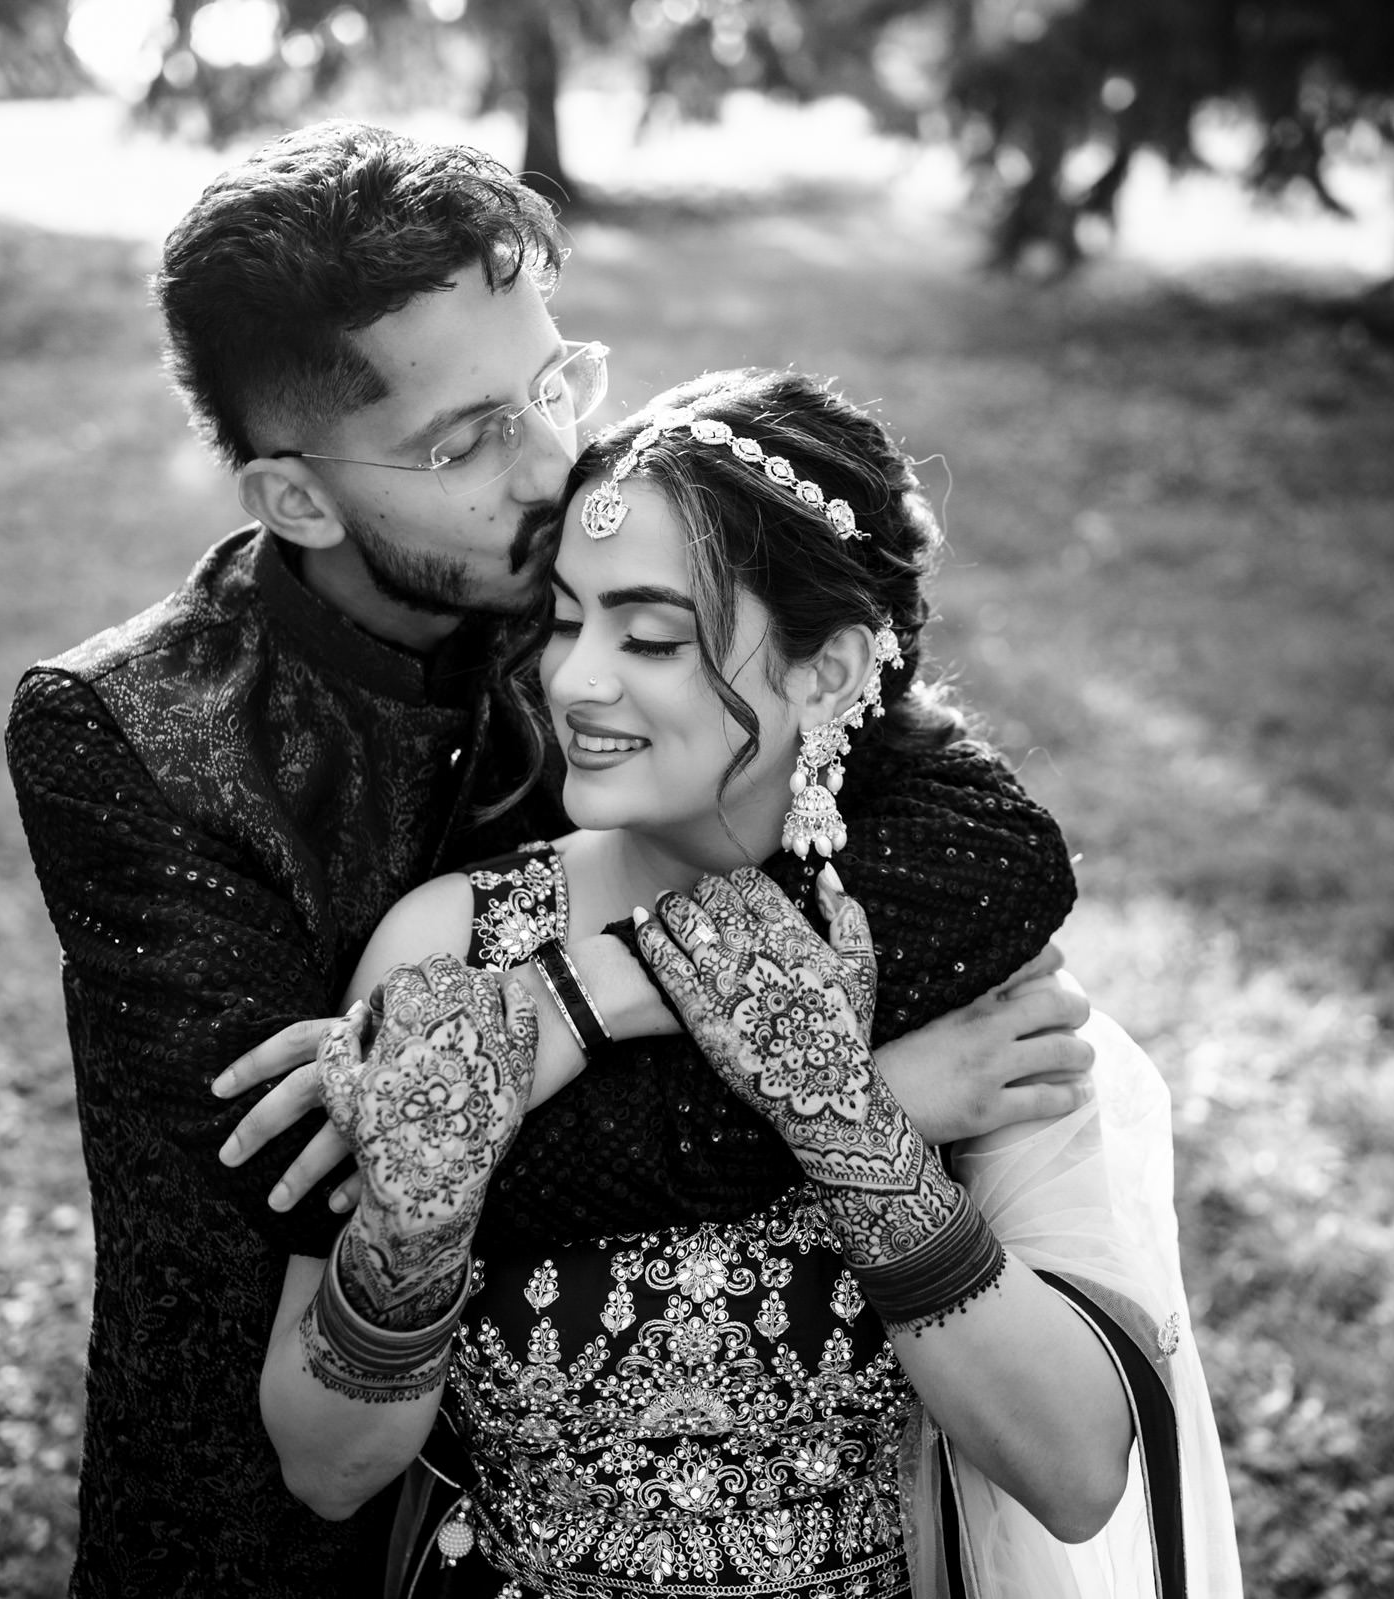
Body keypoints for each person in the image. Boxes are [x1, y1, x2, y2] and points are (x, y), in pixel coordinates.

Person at [5, 124, 1093, 1598]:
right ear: (300, 500)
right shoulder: (133, 739)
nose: (555, 456)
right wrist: (858, 1093)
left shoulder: (589, 550)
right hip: (285, 1516)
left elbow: (994, 849)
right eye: (463, 439)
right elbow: (308, 1191)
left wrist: (567, 1006)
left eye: (553, 382)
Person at [246, 370, 1240, 1597]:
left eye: (651, 636)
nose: (575, 682)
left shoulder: (954, 978)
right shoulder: (454, 951)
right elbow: (325, 1470)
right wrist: (415, 1221)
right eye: (566, 621)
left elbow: (1078, 1475)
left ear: (827, 675)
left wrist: (846, 1114)